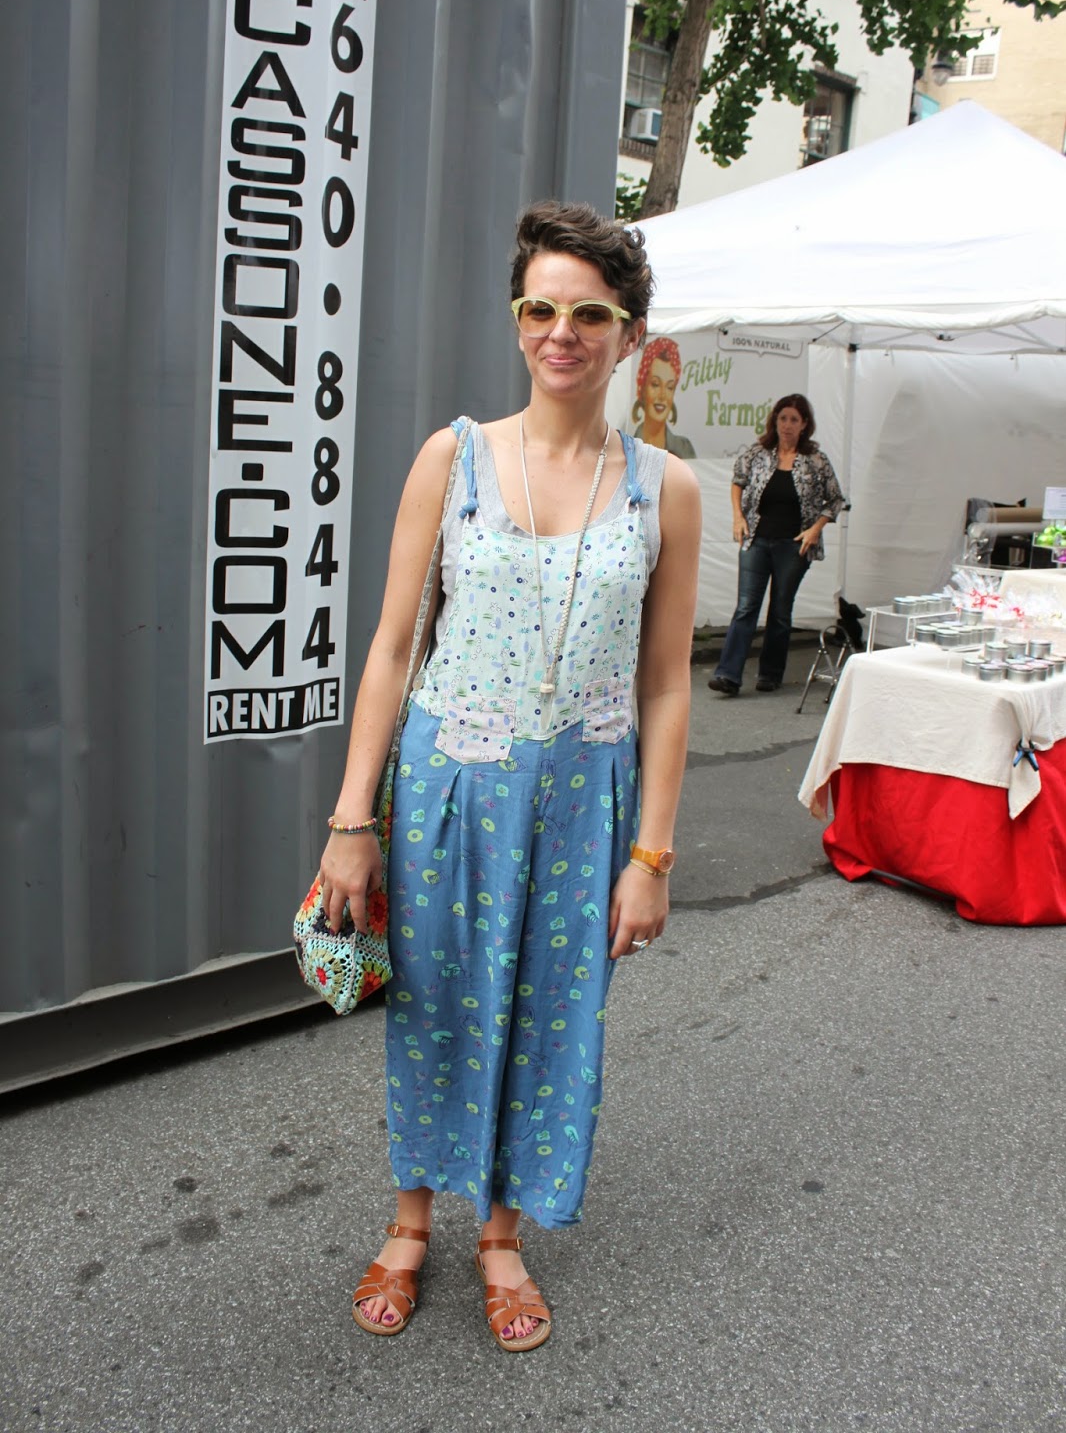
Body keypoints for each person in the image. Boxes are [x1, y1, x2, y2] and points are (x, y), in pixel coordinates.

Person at [317, 201, 701, 1353]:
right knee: (433, 1006)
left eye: (589, 314)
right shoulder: (453, 458)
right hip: (449, 788)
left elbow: (666, 684)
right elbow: (393, 647)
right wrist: (351, 819)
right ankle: (408, 1222)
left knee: (549, 1018)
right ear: (516, 317)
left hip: (587, 807)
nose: (560, 332)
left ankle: (500, 1234)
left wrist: (652, 855)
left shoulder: (665, 489)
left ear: (629, 334)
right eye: (540, 307)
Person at [708, 393, 843, 696]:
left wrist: (815, 530)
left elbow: (835, 500)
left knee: (780, 609)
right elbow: (738, 480)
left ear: (804, 424)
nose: (787, 425)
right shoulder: (759, 453)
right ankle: (728, 674)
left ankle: (770, 674)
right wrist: (738, 517)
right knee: (746, 606)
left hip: (794, 545)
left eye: (794, 419)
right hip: (757, 539)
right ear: (775, 421)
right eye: (783, 418)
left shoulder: (816, 460)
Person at [632, 336, 696, 458]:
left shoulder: (684, 449)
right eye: (655, 384)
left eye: (669, 387)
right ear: (642, 387)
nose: (662, 395)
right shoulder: (625, 448)